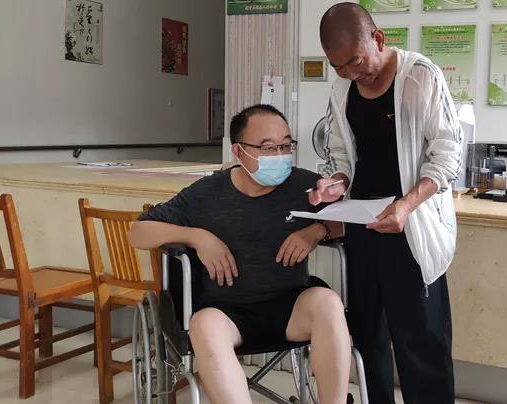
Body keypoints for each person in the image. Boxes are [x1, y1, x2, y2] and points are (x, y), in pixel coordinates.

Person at [128, 104, 351, 404]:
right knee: (203, 324)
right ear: (239, 152)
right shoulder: (206, 193)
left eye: (286, 145)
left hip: (291, 306)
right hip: (227, 314)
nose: (280, 155)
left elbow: (348, 223)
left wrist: (317, 230)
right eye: (268, 148)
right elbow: (138, 233)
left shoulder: (304, 186)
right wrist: (197, 237)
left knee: (328, 302)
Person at [308, 2, 462, 404]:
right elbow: (341, 154)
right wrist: (335, 184)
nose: (350, 73)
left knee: (421, 341)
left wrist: (406, 206)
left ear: (377, 38)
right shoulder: (342, 89)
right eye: (338, 67)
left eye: (355, 62)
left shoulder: (420, 76)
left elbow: (448, 155)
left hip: (412, 229)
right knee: (368, 336)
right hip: (363, 227)